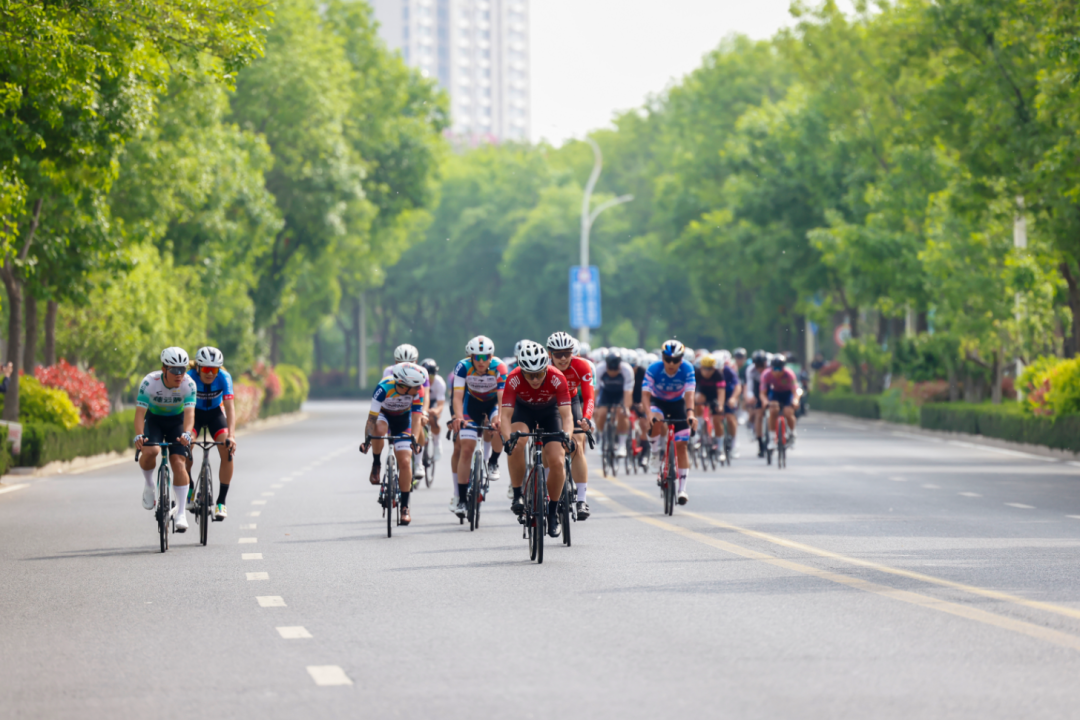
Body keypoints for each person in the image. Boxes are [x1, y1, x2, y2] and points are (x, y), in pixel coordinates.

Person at [500, 340, 574, 539]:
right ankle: (517, 495)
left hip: (550, 413)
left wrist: (567, 436)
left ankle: (552, 512)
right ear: (522, 371)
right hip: (523, 412)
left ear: (546, 369)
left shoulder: (557, 378)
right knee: (517, 444)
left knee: (557, 461)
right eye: (529, 375)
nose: (534, 379)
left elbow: (567, 416)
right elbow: (505, 416)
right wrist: (507, 440)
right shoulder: (513, 378)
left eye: (539, 374)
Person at [134, 347, 197, 532]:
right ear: (164, 369)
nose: (179, 374)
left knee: (178, 462)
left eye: (182, 369)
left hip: (177, 422)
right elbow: (139, 414)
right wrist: (139, 434)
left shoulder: (189, 384)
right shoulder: (149, 382)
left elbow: (190, 414)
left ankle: (181, 513)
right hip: (154, 420)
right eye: (174, 370)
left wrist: (187, 433)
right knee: (151, 451)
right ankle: (149, 484)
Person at [448, 336, 507, 518]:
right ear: (471, 357)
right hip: (471, 404)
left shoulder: (499, 367)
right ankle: (462, 499)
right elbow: (457, 397)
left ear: (491, 357)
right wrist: (459, 418)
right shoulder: (463, 367)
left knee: (500, 426)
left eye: (485, 357)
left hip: (492, 404)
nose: (481, 361)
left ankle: (493, 461)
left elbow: (502, 398)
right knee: (466, 449)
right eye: (477, 357)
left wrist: (500, 419)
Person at [362, 363, 426, 526]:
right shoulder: (383, 388)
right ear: (404, 386)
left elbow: (417, 419)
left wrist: (414, 440)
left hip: (403, 420)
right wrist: (367, 440)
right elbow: (371, 418)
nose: (419, 388)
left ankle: (405, 507)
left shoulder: (418, 391)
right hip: (384, 416)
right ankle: (376, 464)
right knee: (379, 429)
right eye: (415, 386)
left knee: (404, 461)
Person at [546, 331, 595, 519]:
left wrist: (586, 418)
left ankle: (581, 500)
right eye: (558, 354)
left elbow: (589, 397)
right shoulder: (543, 366)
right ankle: (546, 491)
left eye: (567, 353)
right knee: (547, 449)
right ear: (550, 354)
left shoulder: (581, 365)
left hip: (571, 401)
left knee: (576, 446)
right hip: (548, 404)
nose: (563, 358)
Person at [184, 347, 237, 520]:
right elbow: (184, 407)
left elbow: (230, 408)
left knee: (227, 450)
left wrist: (231, 436)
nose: (210, 373)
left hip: (215, 414)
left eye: (214, 370)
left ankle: (221, 502)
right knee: (185, 446)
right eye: (206, 369)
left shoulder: (224, 377)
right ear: (198, 367)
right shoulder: (189, 377)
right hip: (194, 414)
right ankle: (189, 487)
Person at [643, 340, 696, 505]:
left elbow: (690, 394)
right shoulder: (654, 368)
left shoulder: (687, 368)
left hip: (678, 403)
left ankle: (682, 490)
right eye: (668, 359)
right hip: (658, 402)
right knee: (656, 420)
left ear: (681, 359)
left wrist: (690, 414)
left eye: (676, 360)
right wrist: (648, 414)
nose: (671, 364)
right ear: (662, 358)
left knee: (682, 446)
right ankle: (654, 453)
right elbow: (645, 395)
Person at [594, 351, 634, 460]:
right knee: (601, 413)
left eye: (615, 370)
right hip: (606, 393)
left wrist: (626, 408)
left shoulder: (627, 370)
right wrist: (594, 406)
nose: (612, 373)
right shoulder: (600, 368)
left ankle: (622, 445)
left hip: (620, 393)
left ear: (619, 366)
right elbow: (596, 389)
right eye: (610, 370)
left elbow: (628, 392)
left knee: (622, 413)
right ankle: (602, 439)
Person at [760, 354, 800, 448]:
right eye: (775, 369)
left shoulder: (789, 374)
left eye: (780, 369)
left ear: (783, 368)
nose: (777, 372)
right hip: (774, 393)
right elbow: (762, 393)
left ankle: (792, 433)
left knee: (788, 412)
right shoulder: (766, 374)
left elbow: (796, 390)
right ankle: (772, 438)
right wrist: (765, 401)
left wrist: (796, 400)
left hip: (787, 394)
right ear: (771, 368)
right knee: (773, 410)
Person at [694, 354, 725, 457]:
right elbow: (691, 390)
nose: (707, 372)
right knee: (697, 399)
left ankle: (720, 448)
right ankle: (699, 426)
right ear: (701, 367)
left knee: (717, 420)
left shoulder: (718, 374)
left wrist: (720, 405)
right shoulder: (697, 373)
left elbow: (721, 392)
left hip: (714, 396)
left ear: (714, 368)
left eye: (710, 369)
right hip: (702, 394)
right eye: (705, 369)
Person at [746, 350, 769, 456]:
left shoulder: (770, 368)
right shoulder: (750, 370)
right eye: (757, 365)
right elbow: (750, 387)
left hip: (770, 387)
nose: (760, 368)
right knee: (759, 415)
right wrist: (751, 397)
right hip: (758, 388)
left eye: (762, 365)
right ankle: (760, 444)